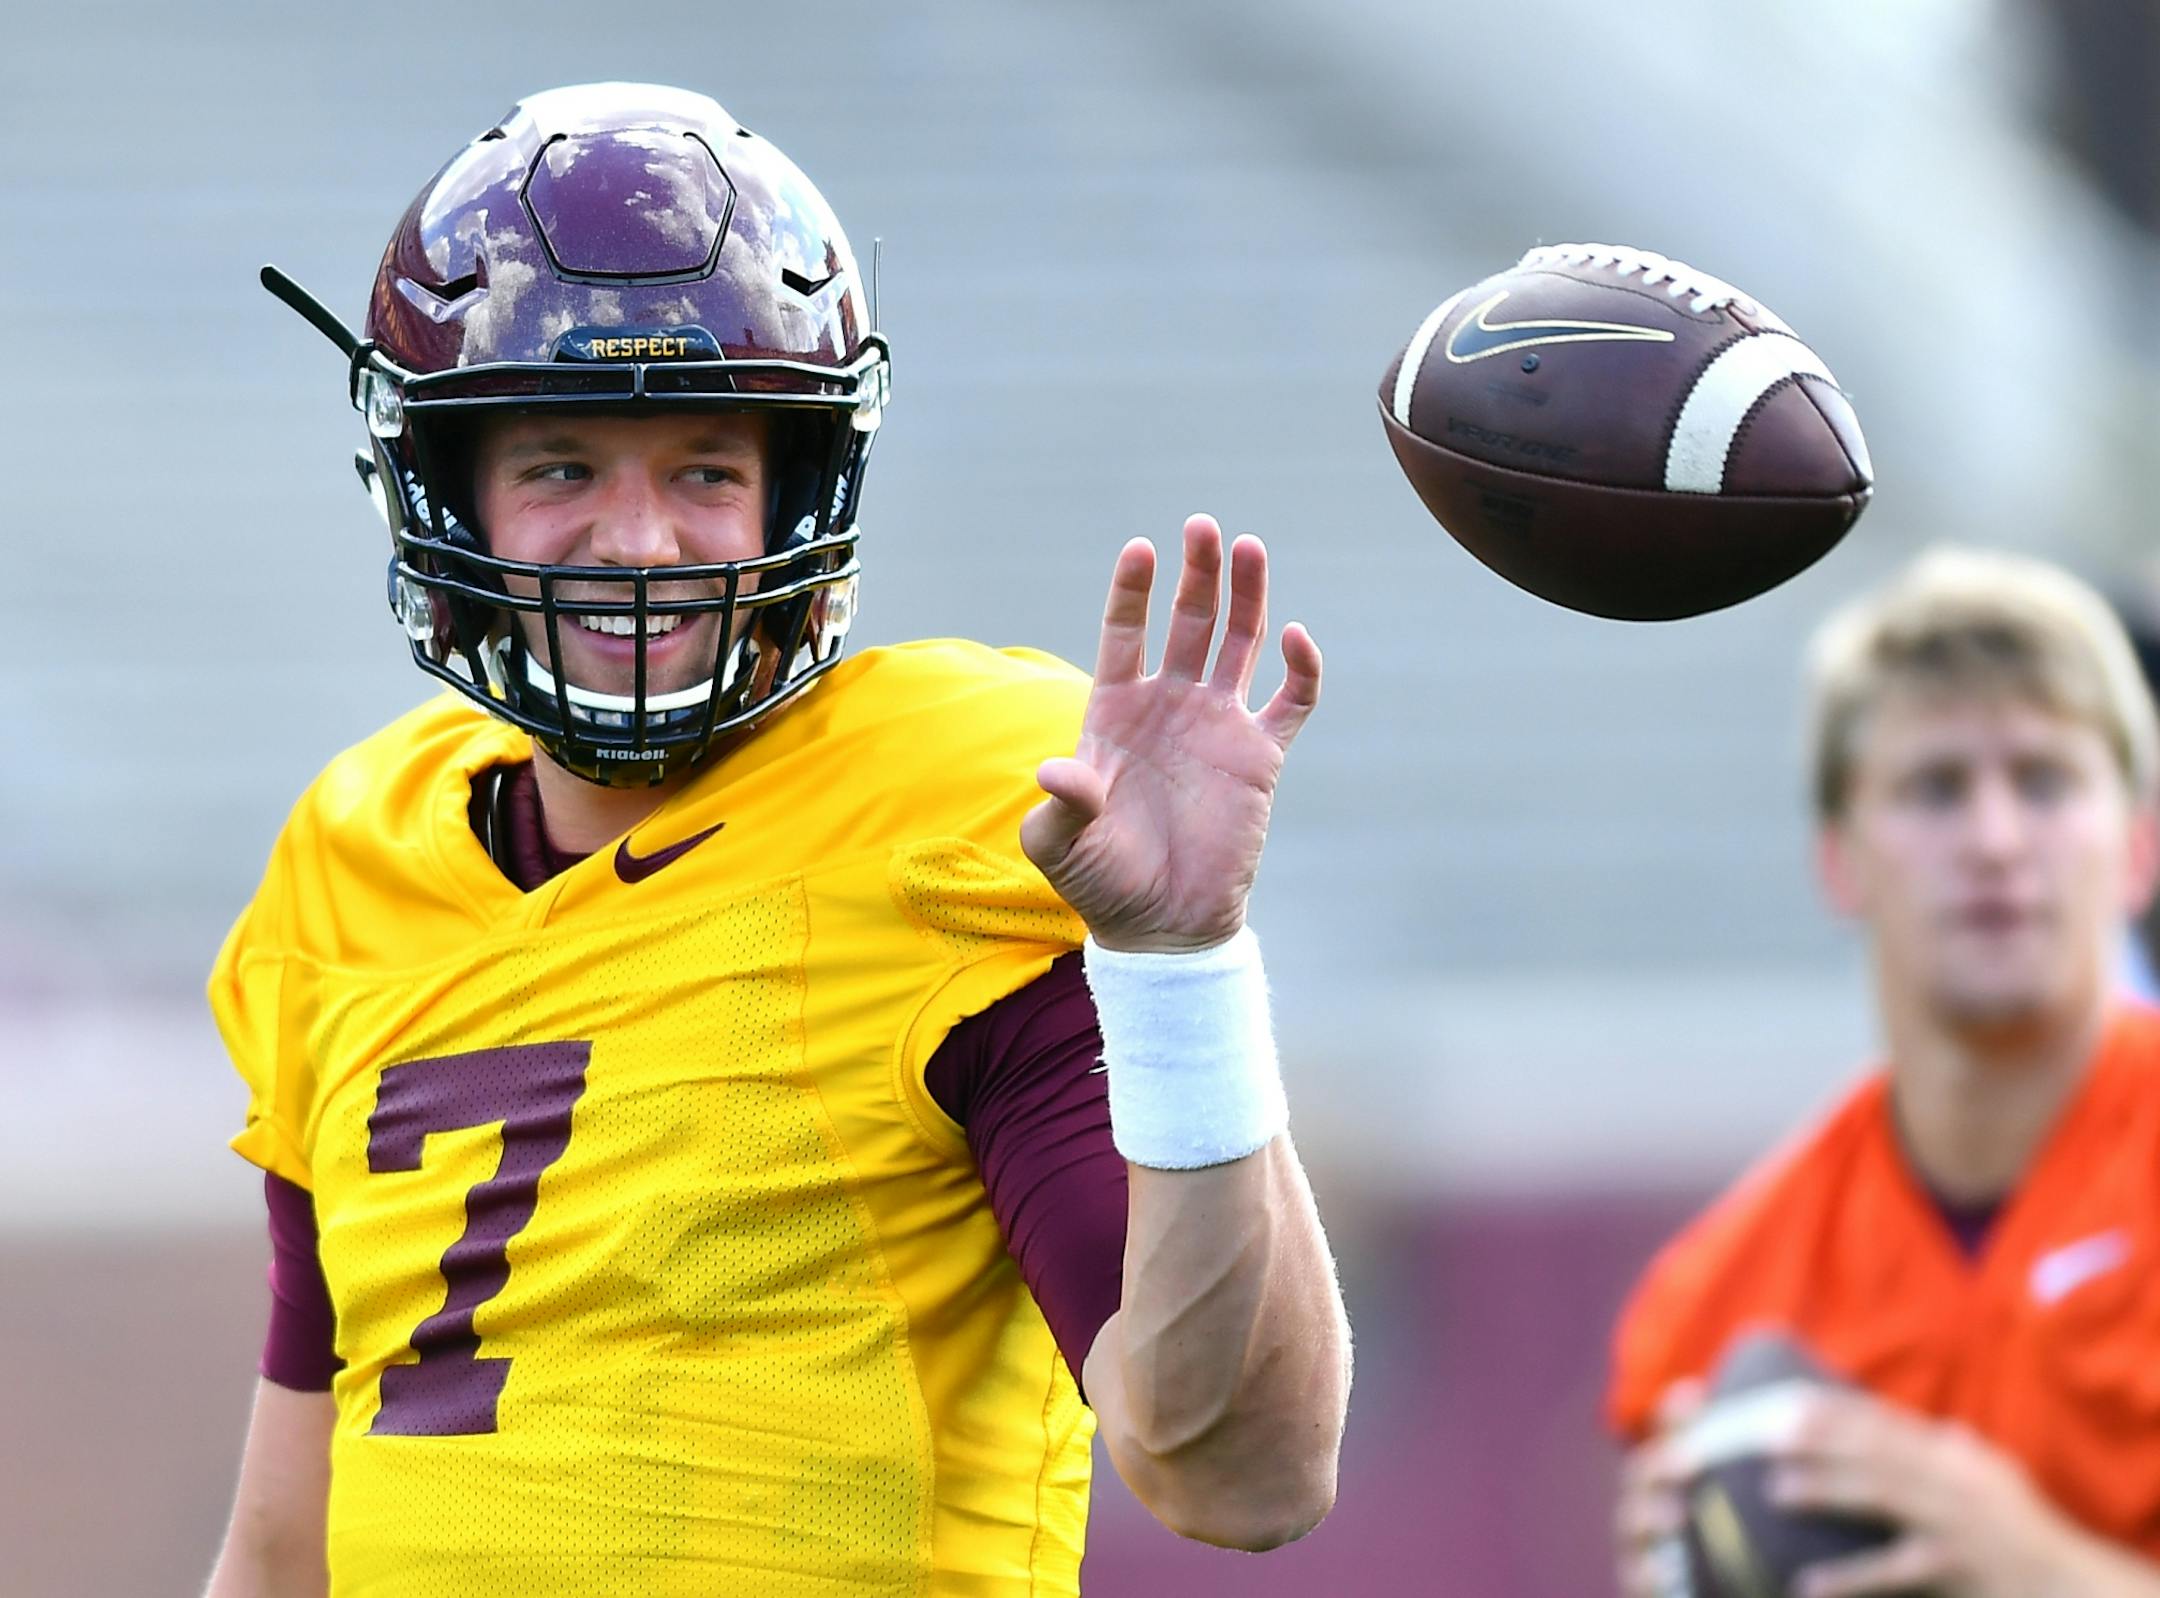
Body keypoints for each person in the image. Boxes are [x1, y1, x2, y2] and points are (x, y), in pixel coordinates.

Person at [203, 82, 1349, 1598]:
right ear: (446, 494)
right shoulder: (351, 856)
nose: (638, 541)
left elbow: (1242, 1470)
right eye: (559, 466)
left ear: (796, 498)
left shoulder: (946, 824)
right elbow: (284, 1548)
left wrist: (1183, 968)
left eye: (706, 469)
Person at [1608, 546, 2160, 1598]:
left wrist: (2035, 1568)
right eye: (1935, 787)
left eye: (2044, 780)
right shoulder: (1715, 1300)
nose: (1995, 840)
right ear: (1838, 859)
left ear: (2139, 849)